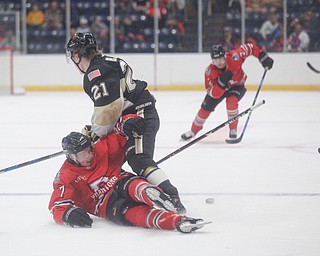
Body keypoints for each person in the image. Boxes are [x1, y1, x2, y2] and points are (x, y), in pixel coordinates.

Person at [65, 32, 186, 214]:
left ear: (77, 55)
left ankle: (171, 197)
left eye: (73, 55)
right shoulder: (106, 63)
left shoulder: (94, 73)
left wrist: (95, 133)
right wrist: (94, 128)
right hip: (133, 114)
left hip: (138, 115)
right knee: (118, 157)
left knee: (138, 158)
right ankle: (136, 191)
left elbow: (109, 109)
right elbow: (107, 108)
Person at [48, 128, 209, 233]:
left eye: (89, 149)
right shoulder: (65, 177)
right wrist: (68, 214)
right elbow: (57, 205)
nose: (90, 155)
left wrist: (128, 123)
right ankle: (177, 222)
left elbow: (121, 133)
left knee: (136, 186)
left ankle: (156, 196)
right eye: (83, 154)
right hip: (107, 206)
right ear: (71, 157)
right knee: (136, 214)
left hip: (119, 181)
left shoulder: (100, 148)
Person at [181, 43, 274, 141]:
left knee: (231, 101)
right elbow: (211, 92)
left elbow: (249, 48)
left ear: (225, 56)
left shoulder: (235, 57)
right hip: (219, 90)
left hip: (237, 86)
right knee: (205, 108)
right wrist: (221, 84)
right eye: (215, 60)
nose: (219, 62)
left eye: (221, 58)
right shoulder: (209, 71)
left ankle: (233, 129)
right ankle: (193, 131)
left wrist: (262, 56)